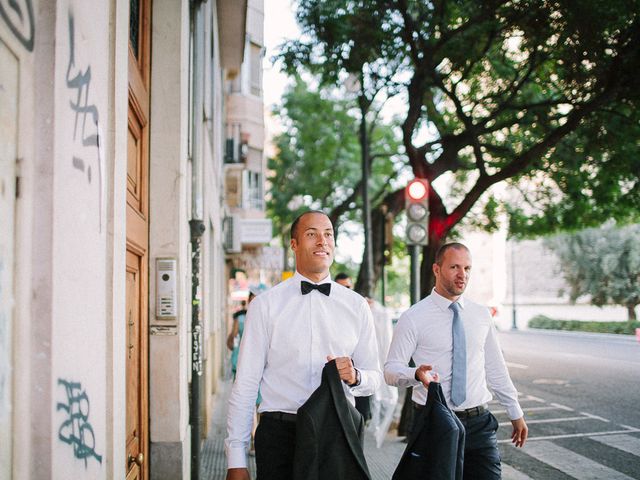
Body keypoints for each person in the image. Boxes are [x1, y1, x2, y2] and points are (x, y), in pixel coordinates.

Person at [225, 210, 382, 480]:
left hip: (337, 434)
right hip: (279, 436)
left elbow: (375, 378)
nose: (322, 241)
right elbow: (246, 384)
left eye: (328, 234)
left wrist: (355, 376)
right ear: (294, 244)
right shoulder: (265, 305)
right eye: (312, 234)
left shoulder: (357, 306)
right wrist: (236, 460)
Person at [385, 242, 528, 479]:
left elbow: (495, 368)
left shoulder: (481, 315)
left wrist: (515, 412)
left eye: (467, 268)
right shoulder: (413, 317)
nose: (462, 275)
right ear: (436, 269)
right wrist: (415, 374)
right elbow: (391, 371)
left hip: (479, 423)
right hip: (435, 424)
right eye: (454, 267)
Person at [227, 292, 256, 378]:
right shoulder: (265, 319)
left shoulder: (240, 318)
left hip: (243, 356)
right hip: (252, 358)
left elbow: (233, 336)